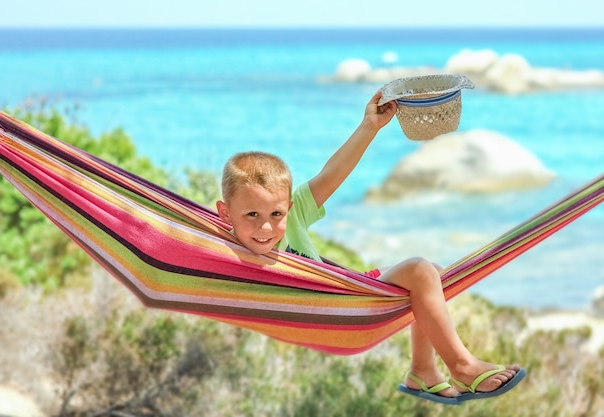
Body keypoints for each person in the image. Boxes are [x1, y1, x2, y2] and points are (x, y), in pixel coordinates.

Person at [215, 90, 526, 405]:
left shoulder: (295, 215)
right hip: (331, 317)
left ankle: (423, 370)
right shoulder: (223, 248)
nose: (266, 227)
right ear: (225, 213)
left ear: (290, 207)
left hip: (351, 296)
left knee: (434, 273)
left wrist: (370, 126)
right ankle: (461, 365)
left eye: (276, 214)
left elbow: (331, 175)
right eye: (252, 214)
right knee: (418, 270)